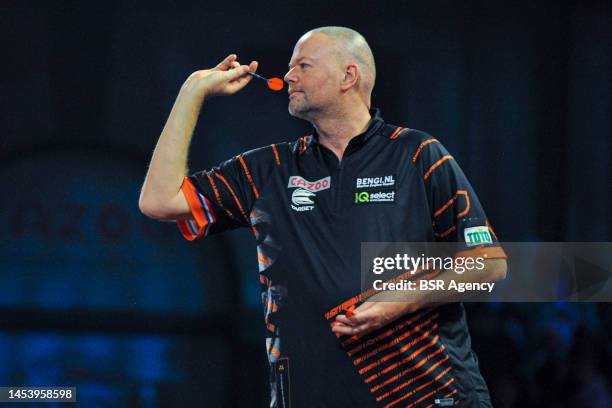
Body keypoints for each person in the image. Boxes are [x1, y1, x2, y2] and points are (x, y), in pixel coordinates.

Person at [139, 26, 507, 408]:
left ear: (349, 76)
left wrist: (400, 301)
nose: (290, 76)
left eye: (304, 65)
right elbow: (160, 200)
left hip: (428, 397)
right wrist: (192, 91)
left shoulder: (418, 155)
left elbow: (490, 267)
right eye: (290, 66)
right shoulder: (269, 169)